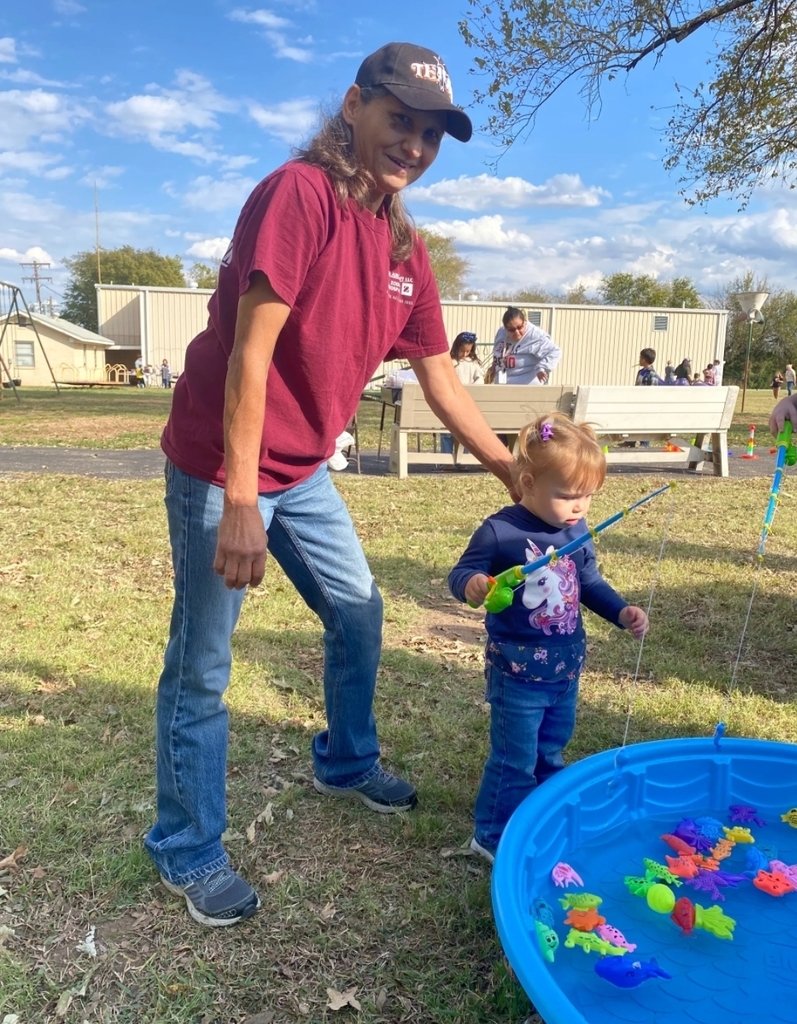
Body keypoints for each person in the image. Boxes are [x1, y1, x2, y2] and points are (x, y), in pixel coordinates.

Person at [147, 41, 519, 928]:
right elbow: (251, 354)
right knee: (203, 664)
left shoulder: (402, 242)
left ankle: (345, 762)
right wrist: (241, 502)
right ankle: (186, 846)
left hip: (305, 467)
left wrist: (512, 470)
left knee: (357, 609)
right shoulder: (299, 195)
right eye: (401, 122)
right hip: (220, 463)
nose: (415, 147)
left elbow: (440, 376)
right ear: (353, 105)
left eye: (431, 135)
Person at [447, 413, 649, 862]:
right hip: (517, 671)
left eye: (588, 497)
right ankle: (494, 836)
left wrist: (621, 611)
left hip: (565, 669)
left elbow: (590, 583)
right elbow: (459, 573)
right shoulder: (500, 531)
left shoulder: (576, 531)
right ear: (528, 482)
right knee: (513, 759)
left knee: (551, 751)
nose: (580, 507)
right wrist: (474, 584)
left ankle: (538, 819)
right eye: (568, 496)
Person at [489, 307, 561, 386]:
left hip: (526, 386)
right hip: (502, 384)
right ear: (505, 328)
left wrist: (541, 367)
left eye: (520, 327)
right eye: (512, 330)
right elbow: (499, 352)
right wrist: (494, 366)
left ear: (525, 322)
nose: (517, 332)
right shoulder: (501, 333)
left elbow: (555, 351)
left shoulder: (535, 335)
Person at [440, 332, 483, 454]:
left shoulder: (473, 364)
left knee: (467, 430)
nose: (464, 354)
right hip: (451, 400)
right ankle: (446, 460)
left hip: (466, 401)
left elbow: (480, 378)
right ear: (456, 348)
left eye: (468, 351)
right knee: (447, 431)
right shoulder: (450, 362)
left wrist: (473, 388)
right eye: (462, 351)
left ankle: (464, 459)